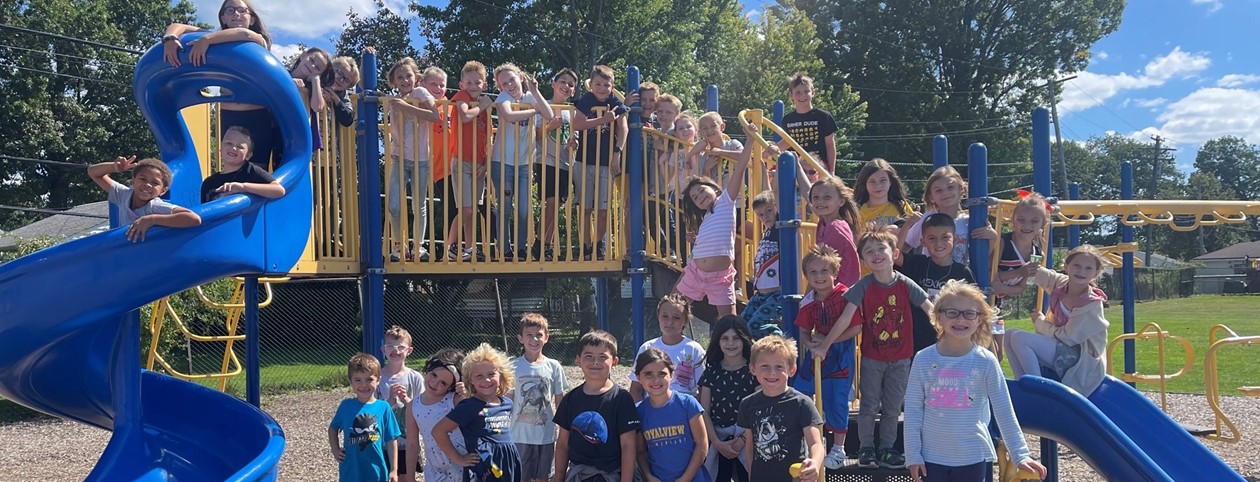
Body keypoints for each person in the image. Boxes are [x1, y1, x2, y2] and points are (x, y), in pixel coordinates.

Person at [904, 280, 1048, 482]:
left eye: (969, 313)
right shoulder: (923, 359)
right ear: (938, 316)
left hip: (973, 456)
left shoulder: (985, 361)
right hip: (932, 457)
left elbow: (1004, 410)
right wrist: (913, 454)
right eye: (952, 312)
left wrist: (1020, 454)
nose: (960, 319)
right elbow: (912, 410)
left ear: (980, 319)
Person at [824, 228, 934, 470]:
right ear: (863, 261)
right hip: (873, 358)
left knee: (893, 407)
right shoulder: (864, 286)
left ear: (894, 253)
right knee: (869, 404)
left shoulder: (905, 284)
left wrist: (949, 332)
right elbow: (845, 318)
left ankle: (886, 448)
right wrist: (825, 344)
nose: (876, 254)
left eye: (881, 249)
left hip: (901, 358)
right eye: (869, 251)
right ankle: (866, 448)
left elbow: (930, 309)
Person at [162, 0, 282, 168]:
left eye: (242, 10)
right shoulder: (216, 41)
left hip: (256, 114)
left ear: (252, 19)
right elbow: (177, 26)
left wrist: (207, 39)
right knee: (231, 167)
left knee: (254, 170)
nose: (236, 14)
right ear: (223, 18)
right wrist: (170, 38)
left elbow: (244, 34)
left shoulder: (257, 41)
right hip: (228, 114)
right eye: (230, 10)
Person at [1004, 245, 1110, 396]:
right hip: (1062, 350)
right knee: (1009, 334)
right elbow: (1036, 273)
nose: (1081, 271)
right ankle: (1023, 385)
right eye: (1076, 265)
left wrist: (1040, 322)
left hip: (1081, 361)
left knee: (1020, 338)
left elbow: (1068, 338)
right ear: (1066, 266)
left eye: (1088, 268)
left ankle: (1039, 390)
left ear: (1096, 273)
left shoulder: (1090, 303)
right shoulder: (1062, 284)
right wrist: (1028, 243)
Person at [676, 125, 756, 318]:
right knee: (673, 307)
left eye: (702, 191)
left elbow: (741, 168)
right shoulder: (705, 219)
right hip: (695, 271)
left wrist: (750, 140)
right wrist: (695, 239)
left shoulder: (726, 201)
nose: (700, 197)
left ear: (714, 188)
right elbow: (712, 240)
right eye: (695, 197)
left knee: (728, 320)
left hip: (719, 277)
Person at [793, 244, 860, 469]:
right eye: (813, 272)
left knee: (835, 400)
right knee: (800, 392)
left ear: (834, 273)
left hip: (840, 357)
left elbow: (856, 328)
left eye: (824, 271)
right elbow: (803, 328)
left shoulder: (844, 295)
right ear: (806, 276)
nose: (819, 276)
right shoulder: (809, 300)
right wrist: (810, 342)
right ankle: (805, 441)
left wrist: (828, 340)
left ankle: (838, 448)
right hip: (816, 356)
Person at [553, 330, 640, 482]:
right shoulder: (570, 399)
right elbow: (562, 444)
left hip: (612, 475)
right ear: (578, 360)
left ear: (614, 362)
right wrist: (559, 479)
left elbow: (628, 445)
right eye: (589, 356)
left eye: (602, 357)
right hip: (579, 475)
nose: (595, 362)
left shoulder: (622, 399)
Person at [741, 150, 811, 339]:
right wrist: (762, 165)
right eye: (761, 215)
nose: (766, 216)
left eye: (769, 211)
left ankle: (780, 343)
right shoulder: (767, 231)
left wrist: (781, 161)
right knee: (739, 327)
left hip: (777, 294)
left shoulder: (782, 225)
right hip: (760, 294)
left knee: (757, 326)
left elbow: (776, 193)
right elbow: (765, 190)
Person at [737, 335, 824, 482]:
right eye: (764, 366)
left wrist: (814, 463)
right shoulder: (747, 404)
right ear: (753, 369)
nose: (772, 372)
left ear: (791, 370)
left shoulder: (802, 403)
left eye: (779, 366)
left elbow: (816, 443)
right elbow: (750, 448)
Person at [490, 64, 554, 260]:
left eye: (511, 79)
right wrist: (533, 112)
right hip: (503, 162)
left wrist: (534, 90)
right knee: (506, 206)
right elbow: (509, 116)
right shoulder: (504, 98)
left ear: (520, 77)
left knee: (525, 210)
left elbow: (550, 114)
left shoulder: (529, 98)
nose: (509, 84)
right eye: (504, 83)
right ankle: (505, 249)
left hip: (525, 163)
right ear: (500, 87)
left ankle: (520, 247)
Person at [433, 343, 521, 482]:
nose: (486, 380)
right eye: (479, 376)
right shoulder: (469, 406)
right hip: (484, 468)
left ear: (501, 375)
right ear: (471, 380)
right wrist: (459, 459)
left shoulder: (506, 403)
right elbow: (438, 431)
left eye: (491, 374)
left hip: (507, 464)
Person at [895, 212, 976, 355]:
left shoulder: (962, 272)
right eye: (932, 238)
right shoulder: (918, 264)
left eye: (945, 237)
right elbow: (895, 256)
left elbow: (975, 305)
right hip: (917, 337)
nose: (939, 243)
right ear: (923, 242)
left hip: (949, 339)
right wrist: (907, 226)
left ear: (955, 239)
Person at [385, 57, 441, 262]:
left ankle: (418, 245)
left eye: (408, 76)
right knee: (393, 204)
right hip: (399, 156)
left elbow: (434, 116)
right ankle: (400, 244)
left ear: (416, 77)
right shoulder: (395, 99)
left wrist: (406, 106)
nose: (405, 80)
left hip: (420, 158)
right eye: (400, 77)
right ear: (394, 81)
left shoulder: (420, 93)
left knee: (419, 204)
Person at [572, 65, 629, 261]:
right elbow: (577, 124)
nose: (602, 88)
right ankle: (586, 246)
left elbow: (623, 129)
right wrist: (603, 120)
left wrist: (617, 153)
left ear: (612, 86)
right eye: (598, 84)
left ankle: (599, 244)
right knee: (586, 208)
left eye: (606, 84)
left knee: (603, 210)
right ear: (591, 85)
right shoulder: (587, 100)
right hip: (584, 160)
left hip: (606, 162)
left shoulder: (615, 102)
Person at [635, 348, 712, 482]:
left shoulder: (688, 403)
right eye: (648, 374)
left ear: (672, 374)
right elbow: (640, 451)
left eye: (661, 374)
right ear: (638, 378)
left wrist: (685, 479)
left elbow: (702, 445)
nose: (656, 380)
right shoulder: (638, 411)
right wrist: (648, 476)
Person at [697, 316, 758, 482]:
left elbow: (759, 409)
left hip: (748, 440)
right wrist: (716, 442)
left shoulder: (754, 371)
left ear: (744, 339)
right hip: (719, 440)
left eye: (736, 338)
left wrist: (743, 440)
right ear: (717, 341)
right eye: (725, 338)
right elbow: (704, 411)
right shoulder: (711, 372)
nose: (730, 343)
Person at [992, 191, 1050, 361]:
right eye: (1021, 220)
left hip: (998, 303)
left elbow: (1020, 288)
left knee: (999, 355)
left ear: (1042, 223)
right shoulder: (1003, 243)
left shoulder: (1038, 253)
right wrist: (1018, 273)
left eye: (1034, 221)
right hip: (985, 300)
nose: (1027, 225)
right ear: (1013, 221)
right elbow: (990, 276)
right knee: (991, 351)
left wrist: (1003, 287)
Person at [88, 156, 202, 242]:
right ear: (133, 181)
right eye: (143, 179)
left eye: (154, 183)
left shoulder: (154, 206)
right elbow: (93, 172)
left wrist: (151, 219)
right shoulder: (124, 195)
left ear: (163, 191)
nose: (147, 185)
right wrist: (113, 167)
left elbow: (193, 219)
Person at [509, 313, 567, 482]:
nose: (534, 339)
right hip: (519, 434)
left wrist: (564, 427)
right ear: (520, 338)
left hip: (545, 433)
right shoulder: (513, 366)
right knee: (521, 476)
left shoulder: (553, 366)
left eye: (539, 335)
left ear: (546, 337)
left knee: (543, 476)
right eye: (529, 335)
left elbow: (559, 399)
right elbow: (508, 399)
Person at [903, 166, 998, 267]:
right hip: (932, 277)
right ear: (931, 197)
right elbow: (906, 245)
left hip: (960, 278)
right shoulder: (927, 219)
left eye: (950, 187)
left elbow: (983, 257)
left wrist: (993, 237)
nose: (945, 193)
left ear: (962, 190)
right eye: (939, 190)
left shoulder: (970, 221)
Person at [447, 60, 495, 261]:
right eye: (469, 82)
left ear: (484, 85)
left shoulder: (483, 106)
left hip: (478, 163)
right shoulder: (462, 97)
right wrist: (482, 105)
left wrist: (485, 164)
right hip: (461, 160)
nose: (474, 86)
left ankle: (469, 248)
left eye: (478, 82)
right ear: (461, 84)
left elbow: (487, 137)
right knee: (465, 208)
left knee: (471, 208)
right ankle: (449, 246)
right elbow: (465, 116)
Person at [329, 352, 401, 482]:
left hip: (376, 470)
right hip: (351, 470)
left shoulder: (384, 407)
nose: (364, 385)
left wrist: (394, 469)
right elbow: (333, 428)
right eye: (358, 380)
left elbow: (391, 440)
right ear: (350, 381)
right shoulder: (346, 406)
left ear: (378, 380)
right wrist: (335, 449)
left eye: (369, 379)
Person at [532, 68, 578, 261]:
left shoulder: (572, 112)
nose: (566, 86)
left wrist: (573, 144)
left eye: (570, 84)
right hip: (546, 160)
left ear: (573, 91)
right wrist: (550, 127)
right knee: (550, 202)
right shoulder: (544, 106)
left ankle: (547, 244)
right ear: (553, 84)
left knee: (557, 205)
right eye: (563, 81)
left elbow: (572, 138)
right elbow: (534, 136)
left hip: (565, 163)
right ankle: (539, 244)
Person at [402, 349, 468, 482]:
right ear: (428, 369)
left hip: (461, 460)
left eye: (443, 383)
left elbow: (479, 413)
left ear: (451, 387)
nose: (435, 382)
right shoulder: (413, 406)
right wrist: (410, 476)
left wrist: (468, 394)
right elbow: (412, 444)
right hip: (435, 467)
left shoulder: (454, 400)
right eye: (434, 375)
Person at [629, 294, 707, 402]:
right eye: (665, 316)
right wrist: (640, 413)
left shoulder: (694, 350)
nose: (670, 322)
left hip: (684, 411)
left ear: (686, 321)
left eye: (676, 317)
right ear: (658, 317)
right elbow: (635, 388)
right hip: (653, 410)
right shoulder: (647, 347)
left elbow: (703, 389)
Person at [376, 325, 425, 479]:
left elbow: (422, 409)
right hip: (381, 442)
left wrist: (407, 400)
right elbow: (372, 412)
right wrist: (389, 401)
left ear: (409, 351)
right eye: (390, 346)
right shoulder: (376, 379)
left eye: (400, 347)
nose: (395, 350)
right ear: (383, 349)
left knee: (405, 477)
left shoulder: (415, 378)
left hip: (407, 442)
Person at [200, 126, 285, 203]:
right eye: (229, 143)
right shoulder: (208, 183)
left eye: (240, 147)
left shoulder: (250, 170)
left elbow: (279, 190)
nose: (233, 148)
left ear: (248, 155)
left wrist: (243, 187)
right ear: (220, 147)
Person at [777, 73, 838, 176]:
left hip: (818, 167)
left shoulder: (823, 116)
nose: (802, 96)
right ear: (791, 95)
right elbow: (788, 142)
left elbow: (830, 145)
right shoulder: (787, 120)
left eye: (806, 91)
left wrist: (831, 170)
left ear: (813, 93)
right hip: (796, 167)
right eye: (798, 92)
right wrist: (768, 149)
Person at [809, 176, 861, 286]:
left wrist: (807, 298)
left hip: (840, 293)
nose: (820, 201)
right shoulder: (823, 223)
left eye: (827, 197)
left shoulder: (835, 228)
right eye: (816, 197)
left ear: (841, 201)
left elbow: (823, 266)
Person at [854, 158, 915, 231]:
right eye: (872, 181)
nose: (878, 186)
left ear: (890, 182)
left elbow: (914, 236)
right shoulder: (858, 212)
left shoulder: (902, 206)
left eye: (883, 180)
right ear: (865, 184)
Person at [687, 112, 744, 186]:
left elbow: (745, 156)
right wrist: (706, 169)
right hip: (717, 196)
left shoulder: (732, 144)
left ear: (722, 127)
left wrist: (721, 152)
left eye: (713, 126)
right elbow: (704, 185)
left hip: (738, 196)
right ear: (700, 132)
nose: (709, 130)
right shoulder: (703, 157)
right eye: (705, 128)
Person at [324, 53, 362, 128]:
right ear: (331, 69)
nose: (341, 80)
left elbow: (348, 119)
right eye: (339, 73)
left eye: (346, 81)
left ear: (347, 87)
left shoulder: (342, 94)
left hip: (327, 136)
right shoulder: (318, 78)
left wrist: (336, 99)